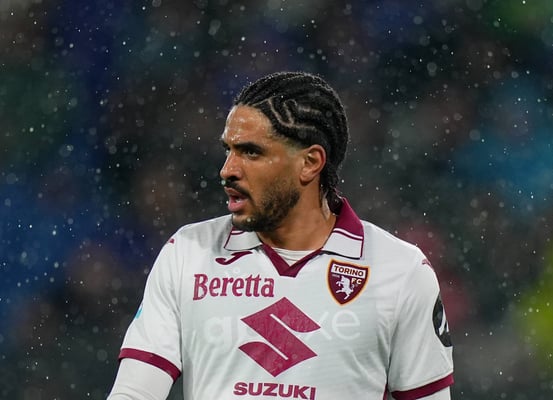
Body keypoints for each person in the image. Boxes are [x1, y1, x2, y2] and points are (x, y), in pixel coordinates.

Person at [107, 71, 454, 400]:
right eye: (228, 150)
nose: (227, 170)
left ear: (310, 162)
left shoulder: (400, 270)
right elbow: (134, 392)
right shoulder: (187, 252)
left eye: (251, 152)